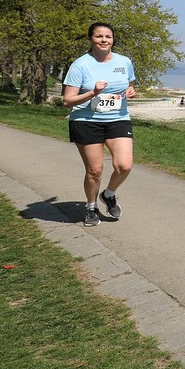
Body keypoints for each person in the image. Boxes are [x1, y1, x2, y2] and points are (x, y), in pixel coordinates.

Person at [62, 22, 136, 227]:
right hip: (86, 121)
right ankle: (91, 206)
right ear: (91, 39)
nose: (104, 40)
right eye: (99, 36)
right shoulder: (80, 65)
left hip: (118, 118)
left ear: (113, 39)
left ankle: (109, 194)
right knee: (95, 170)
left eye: (108, 37)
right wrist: (92, 93)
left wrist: (131, 90)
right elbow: (67, 101)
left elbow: (129, 84)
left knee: (124, 165)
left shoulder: (124, 62)